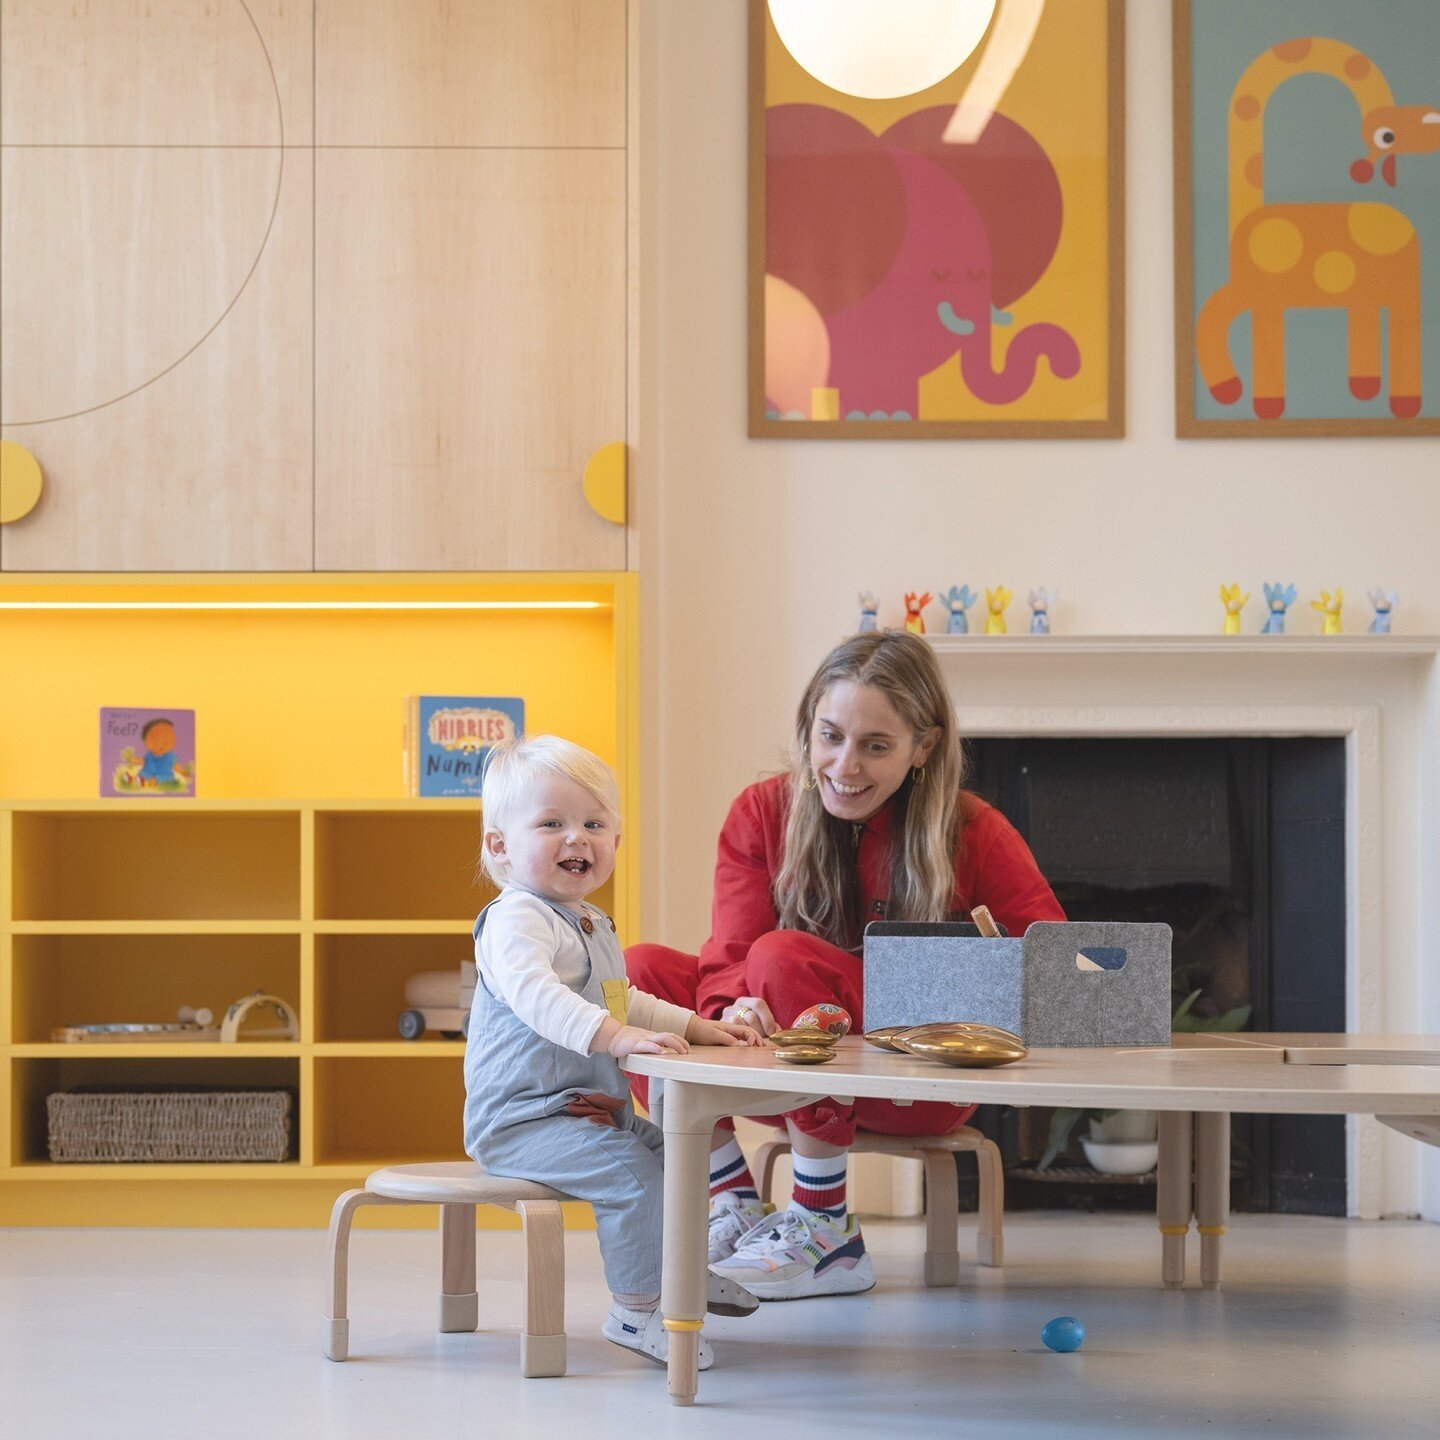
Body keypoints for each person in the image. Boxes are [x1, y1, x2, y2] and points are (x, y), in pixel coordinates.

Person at [626, 631, 1064, 1300]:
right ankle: (736, 1200)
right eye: (829, 736)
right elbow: (730, 954)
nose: (844, 765)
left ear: (924, 748)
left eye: (876, 746)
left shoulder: (972, 828)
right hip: (777, 1076)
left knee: (783, 953)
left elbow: (1053, 956)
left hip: (913, 1082)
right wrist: (725, 1013)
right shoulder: (760, 812)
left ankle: (825, 1226)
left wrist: (964, 976)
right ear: (807, 727)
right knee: (636, 974)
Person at [462, 735, 765, 1371]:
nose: (577, 838)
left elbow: (624, 1002)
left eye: (594, 824)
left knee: (675, 1159)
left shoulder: (591, 922)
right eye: (552, 824)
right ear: (500, 846)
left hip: (587, 1110)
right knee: (633, 1180)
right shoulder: (516, 919)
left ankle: (677, 1278)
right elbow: (539, 998)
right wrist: (619, 1039)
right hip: (523, 1120)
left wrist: (697, 1024)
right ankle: (634, 1310)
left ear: (616, 843)